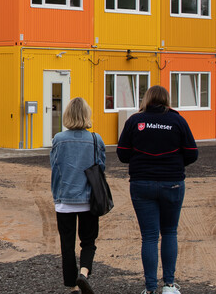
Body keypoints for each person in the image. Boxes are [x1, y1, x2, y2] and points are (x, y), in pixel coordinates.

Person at [117, 85, 198, 294]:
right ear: (166, 100)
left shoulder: (135, 121)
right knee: (170, 232)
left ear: (147, 99)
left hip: (141, 183)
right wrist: (175, 163)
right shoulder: (177, 120)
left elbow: (123, 154)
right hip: (172, 183)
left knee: (150, 236)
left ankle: (150, 288)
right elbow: (192, 153)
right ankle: (169, 285)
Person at [50, 97, 106, 294]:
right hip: (89, 200)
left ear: (67, 115)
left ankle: (72, 285)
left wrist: (57, 194)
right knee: (88, 241)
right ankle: (83, 273)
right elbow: (101, 167)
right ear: (86, 115)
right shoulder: (95, 139)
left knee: (67, 243)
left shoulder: (58, 139)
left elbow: (55, 168)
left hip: (65, 199)